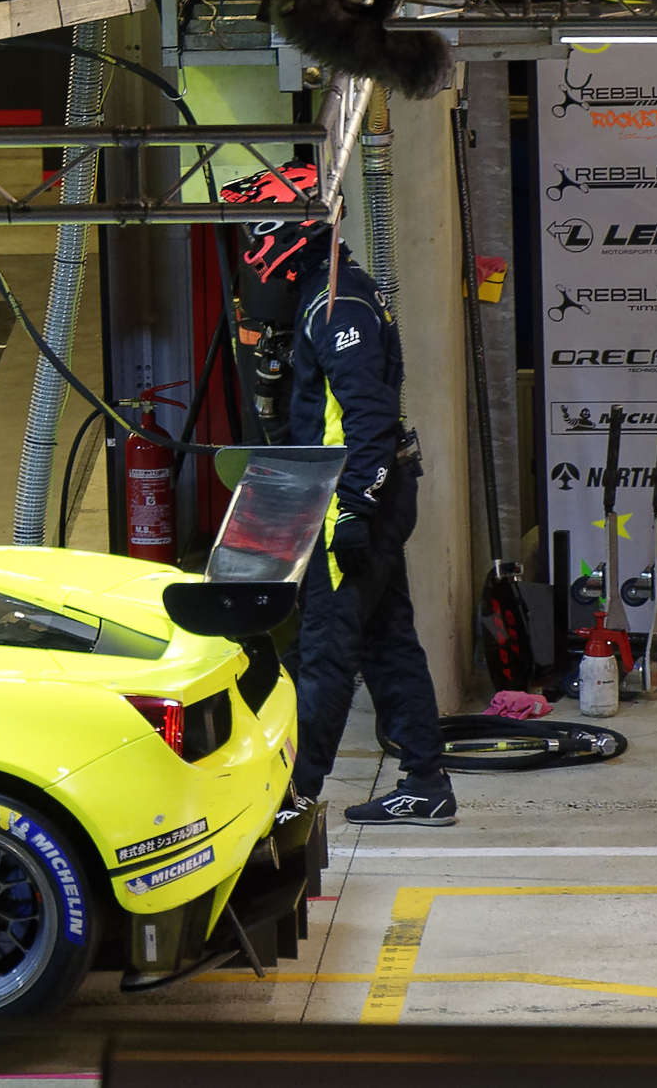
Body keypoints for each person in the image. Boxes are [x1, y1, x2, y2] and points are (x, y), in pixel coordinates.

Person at [220, 164, 452, 826]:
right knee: (386, 638)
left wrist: (352, 508)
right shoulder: (333, 291)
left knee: (324, 652)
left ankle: (294, 798)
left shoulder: (334, 306)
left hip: (353, 498)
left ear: (285, 231)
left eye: (253, 233)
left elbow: (369, 419)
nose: (248, 248)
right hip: (372, 492)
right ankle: (427, 781)